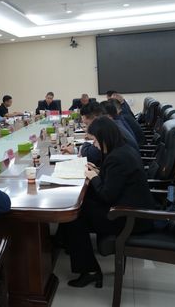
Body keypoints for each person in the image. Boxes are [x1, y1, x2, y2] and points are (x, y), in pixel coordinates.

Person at [61, 116, 155, 287]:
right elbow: (115, 181)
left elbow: (106, 195)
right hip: (128, 206)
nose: (95, 145)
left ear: (105, 138)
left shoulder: (117, 158)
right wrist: (98, 171)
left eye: (95, 141)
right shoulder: (122, 149)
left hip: (130, 217)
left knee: (76, 216)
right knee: (81, 205)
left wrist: (94, 177)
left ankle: (89, 271)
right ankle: (64, 243)